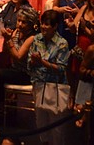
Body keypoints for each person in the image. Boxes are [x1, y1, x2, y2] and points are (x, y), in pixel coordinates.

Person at [0, 7, 39, 123]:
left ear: (31, 24)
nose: (19, 24)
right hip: (14, 68)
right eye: (19, 20)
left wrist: (9, 41)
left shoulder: (32, 38)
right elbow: (7, 51)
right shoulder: (17, 32)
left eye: (24, 22)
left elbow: (18, 56)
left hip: (25, 73)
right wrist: (6, 39)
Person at [28, 10, 71, 145]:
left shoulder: (62, 44)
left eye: (47, 25)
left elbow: (61, 69)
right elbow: (29, 61)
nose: (44, 27)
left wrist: (42, 62)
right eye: (42, 24)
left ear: (55, 26)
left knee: (56, 124)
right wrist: (33, 61)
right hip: (39, 84)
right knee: (40, 121)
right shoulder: (37, 39)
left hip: (55, 87)